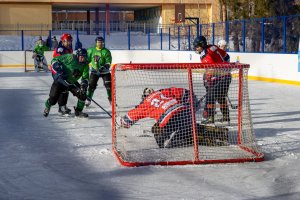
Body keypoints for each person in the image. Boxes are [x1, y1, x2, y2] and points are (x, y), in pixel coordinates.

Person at [119, 87, 200, 148]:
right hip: (183, 111)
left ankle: (170, 141)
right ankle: (188, 133)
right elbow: (184, 92)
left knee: (159, 132)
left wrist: (122, 122)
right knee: (185, 125)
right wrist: (193, 103)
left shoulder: (145, 104)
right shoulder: (162, 92)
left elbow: (129, 118)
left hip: (167, 118)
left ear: (144, 97)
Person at [193, 35, 231, 124]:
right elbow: (226, 56)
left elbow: (212, 70)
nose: (196, 48)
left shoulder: (205, 55)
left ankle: (210, 117)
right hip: (227, 76)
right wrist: (226, 68)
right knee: (221, 97)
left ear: (202, 45)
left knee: (210, 97)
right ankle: (226, 116)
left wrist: (208, 78)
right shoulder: (212, 47)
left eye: (197, 46)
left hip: (220, 78)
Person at [43, 48, 90, 118]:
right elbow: (54, 60)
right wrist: (58, 67)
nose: (83, 59)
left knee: (82, 94)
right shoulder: (70, 57)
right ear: (77, 56)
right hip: (60, 80)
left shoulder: (85, 65)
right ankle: (47, 106)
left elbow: (85, 77)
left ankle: (78, 111)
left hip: (71, 82)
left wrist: (83, 84)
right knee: (53, 100)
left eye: (85, 57)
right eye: (82, 57)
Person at [86, 36, 112, 106]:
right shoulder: (91, 50)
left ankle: (111, 99)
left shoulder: (106, 51)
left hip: (105, 72)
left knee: (109, 85)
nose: (100, 44)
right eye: (98, 42)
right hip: (94, 71)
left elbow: (108, 61)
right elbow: (87, 60)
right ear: (96, 43)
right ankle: (88, 99)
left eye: (101, 42)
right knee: (91, 85)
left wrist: (104, 67)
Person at [52, 33, 74, 115]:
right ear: (62, 41)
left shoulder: (69, 49)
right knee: (61, 88)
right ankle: (61, 107)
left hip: (65, 71)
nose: (68, 43)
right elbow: (57, 60)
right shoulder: (60, 49)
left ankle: (63, 106)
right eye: (66, 41)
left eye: (70, 41)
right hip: (58, 72)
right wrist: (60, 70)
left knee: (66, 88)